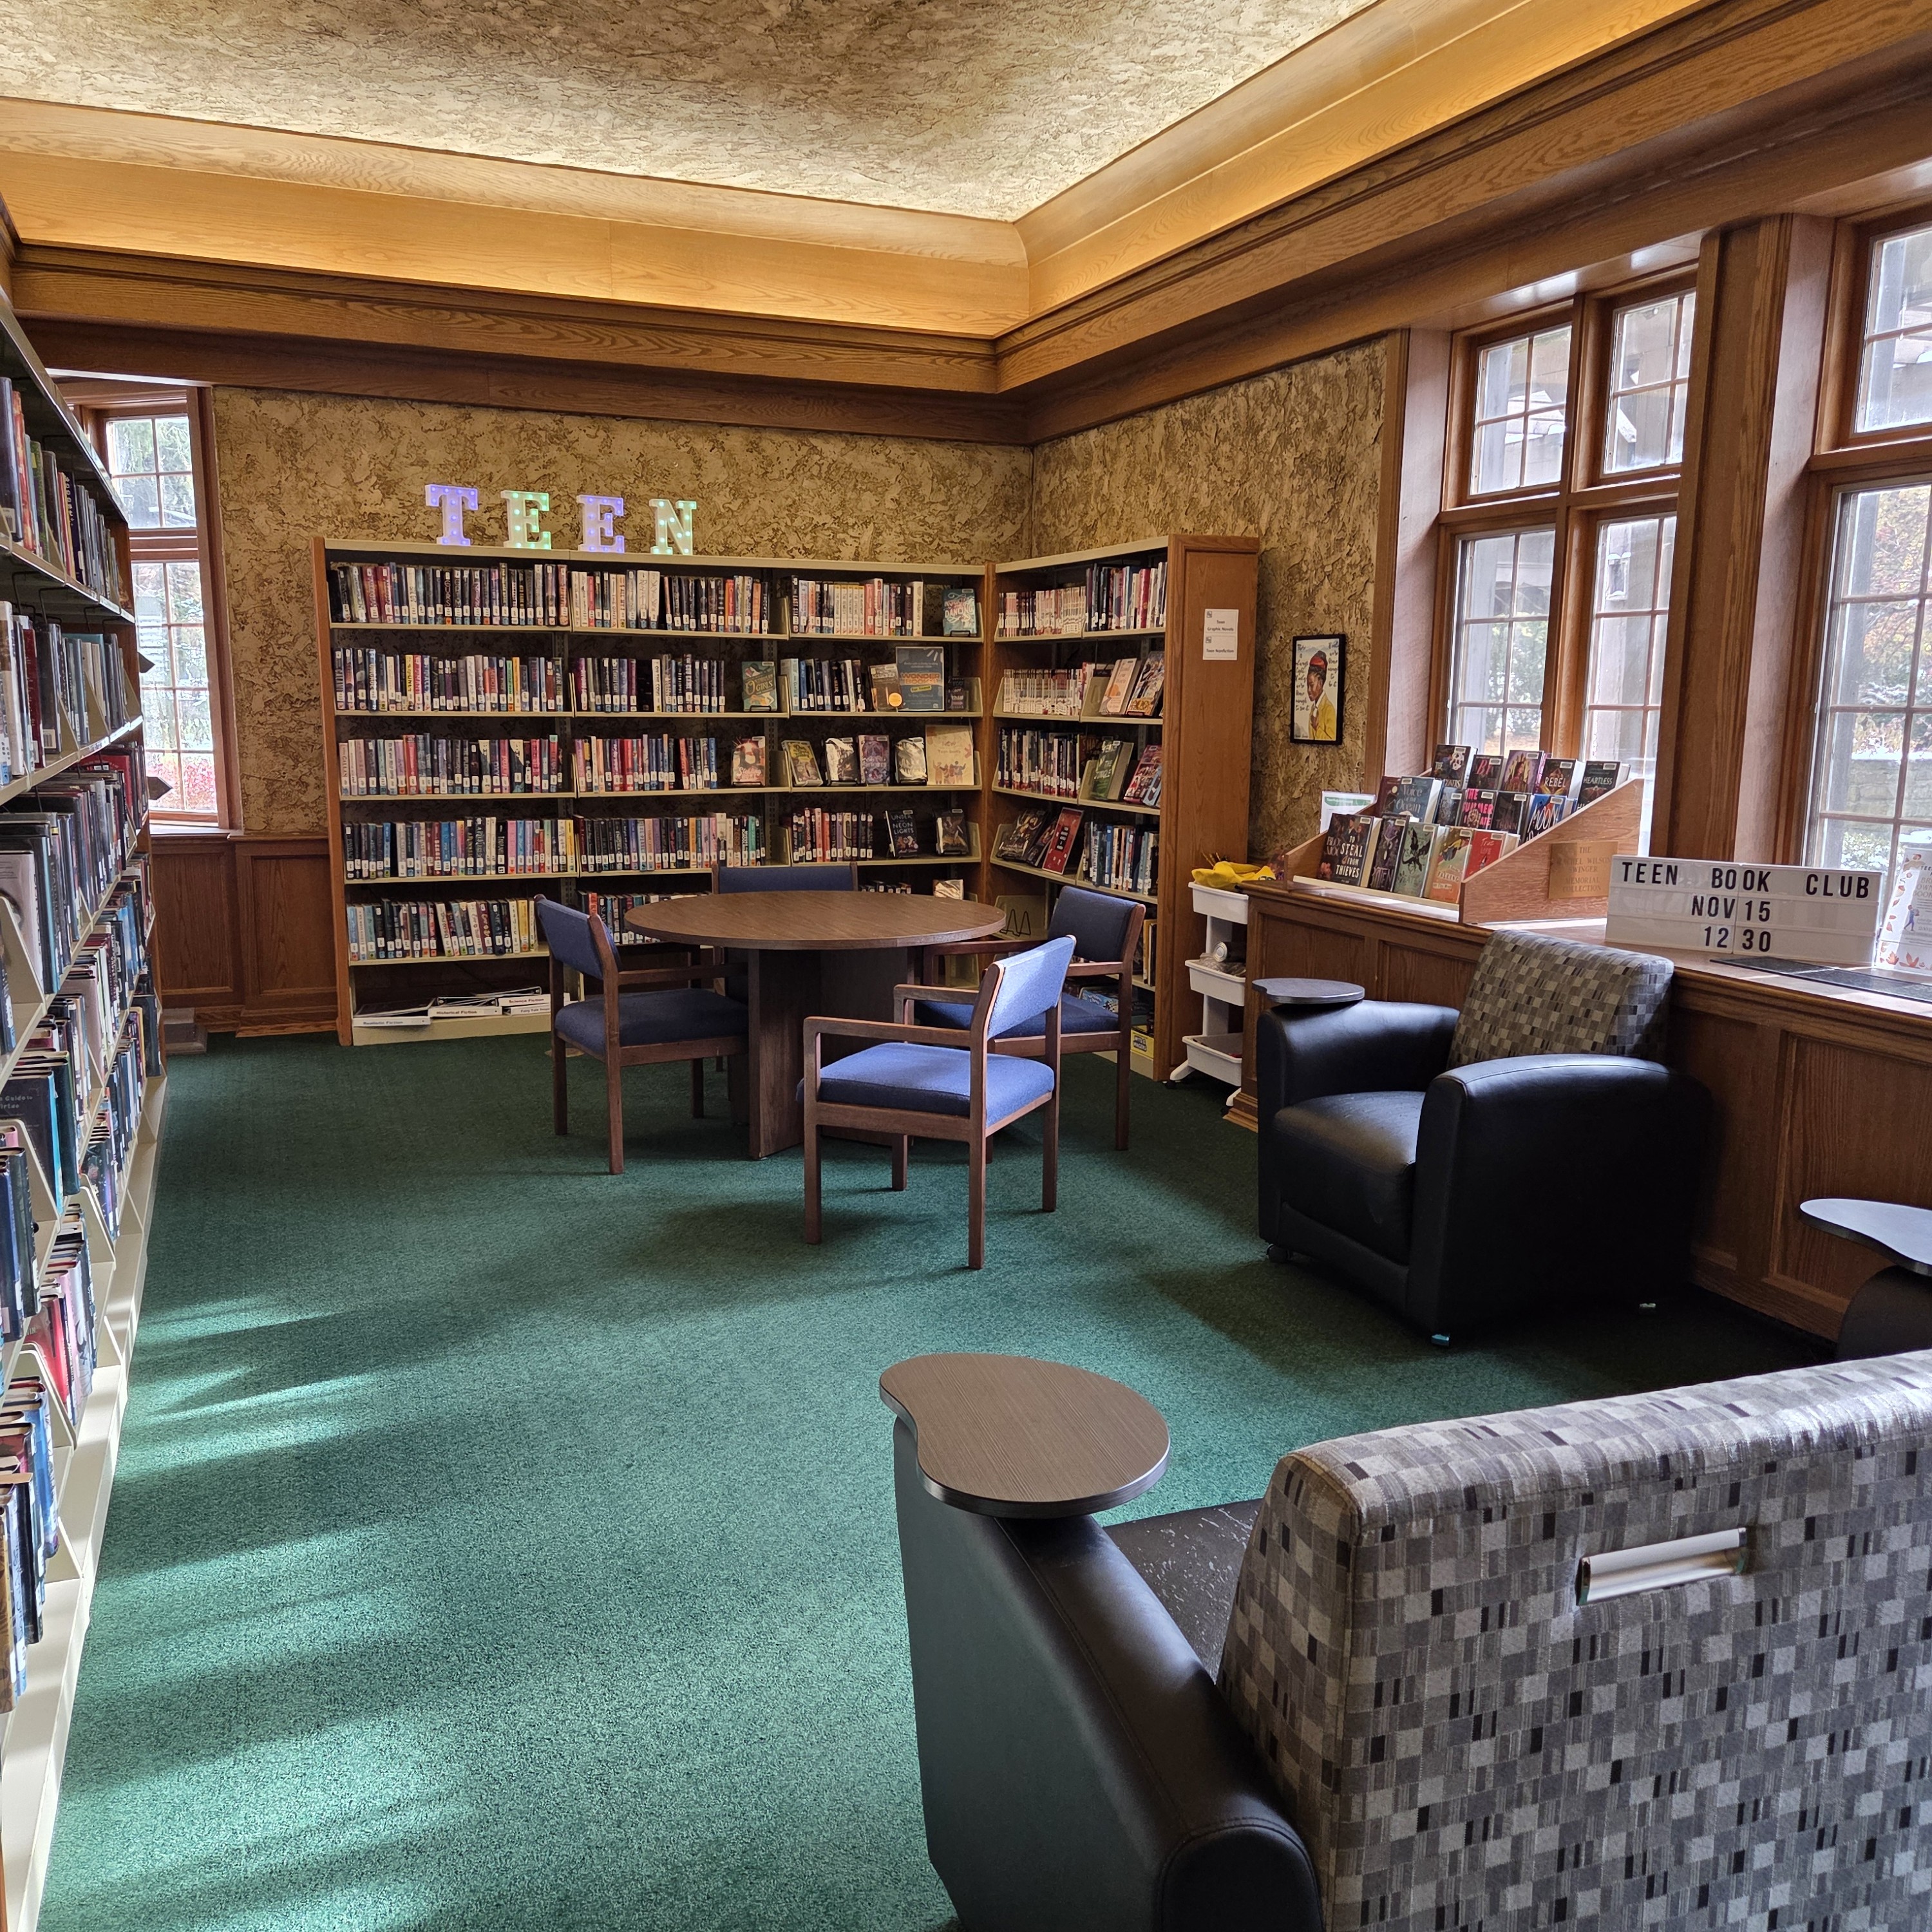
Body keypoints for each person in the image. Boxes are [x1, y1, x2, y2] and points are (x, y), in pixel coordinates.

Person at [1302, 649, 1337, 741]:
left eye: (1312, 685)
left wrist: (1317, 728)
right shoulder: (1313, 710)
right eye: (1307, 685)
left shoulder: (1329, 709)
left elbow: (1332, 740)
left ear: (1320, 683)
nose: (1308, 690)